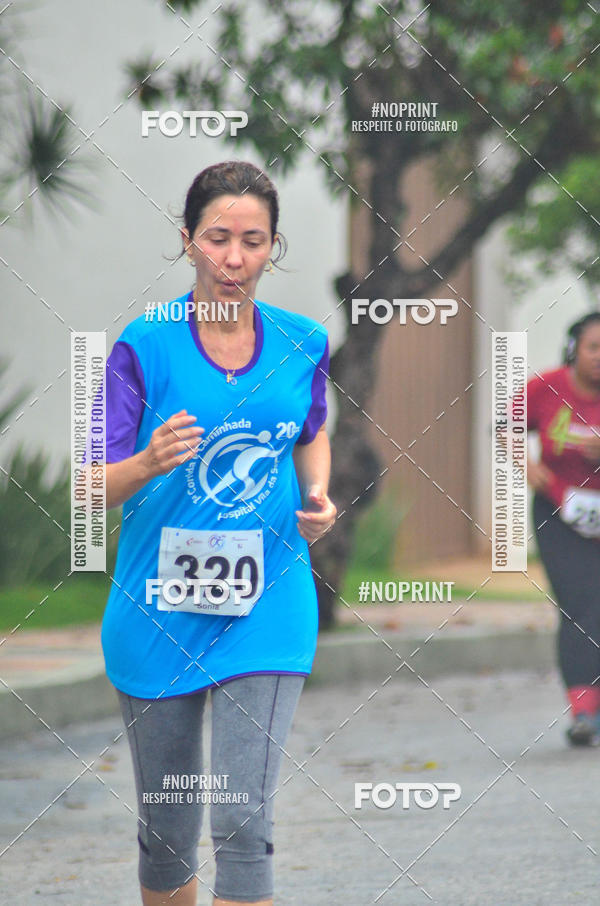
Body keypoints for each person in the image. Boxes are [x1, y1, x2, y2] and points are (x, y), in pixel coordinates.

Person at [102, 160, 337, 905]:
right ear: (187, 240)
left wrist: (319, 494)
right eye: (217, 238)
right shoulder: (145, 344)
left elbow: (312, 430)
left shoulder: (303, 342)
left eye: (252, 241)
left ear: (273, 247)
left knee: (241, 820)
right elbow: (90, 484)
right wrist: (146, 462)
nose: (234, 258)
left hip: (269, 597)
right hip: (157, 603)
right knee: (168, 831)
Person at [526, 312, 600, 746]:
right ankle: (583, 711)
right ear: (574, 350)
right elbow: (505, 424)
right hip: (560, 512)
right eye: (593, 347)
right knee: (579, 605)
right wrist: (526, 464)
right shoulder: (548, 386)